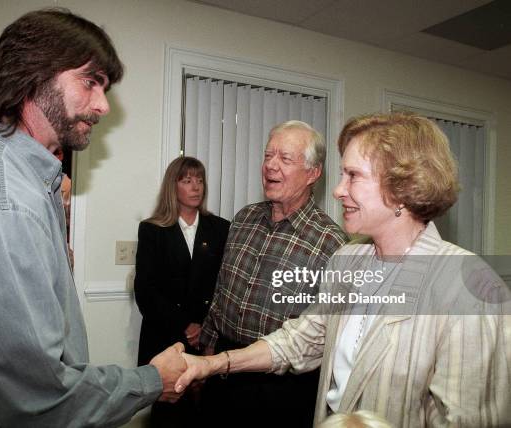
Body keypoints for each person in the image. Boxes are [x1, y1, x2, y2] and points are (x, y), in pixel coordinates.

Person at [0, 8, 187, 427]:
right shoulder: (2, 201)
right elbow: (34, 400)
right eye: (91, 82)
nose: (103, 105)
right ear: (33, 77)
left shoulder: (13, 174)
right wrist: (152, 381)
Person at [175, 112, 511, 427]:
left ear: (402, 189)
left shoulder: (471, 290)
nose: (337, 191)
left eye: (353, 176)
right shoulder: (349, 260)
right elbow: (301, 340)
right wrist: (214, 363)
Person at [198, 120, 347, 426]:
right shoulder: (244, 218)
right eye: (268, 156)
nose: (271, 166)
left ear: (313, 173)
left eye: (285, 159)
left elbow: (325, 334)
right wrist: (208, 346)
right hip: (223, 368)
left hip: (280, 385)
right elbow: (222, 290)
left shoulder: (332, 243)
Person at [134, 156, 230, 427]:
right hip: (165, 339)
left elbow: (225, 285)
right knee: (169, 417)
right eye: (187, 180)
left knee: (206, 414)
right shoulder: (152, 230)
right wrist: (185, 325)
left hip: (208, 341)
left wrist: (204, 327)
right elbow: (145, 291)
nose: (196, 187)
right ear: (172, 186)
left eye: (199, 180)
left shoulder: (221, 228)